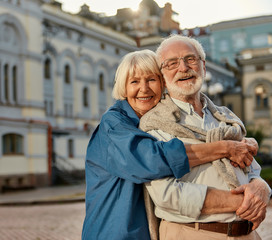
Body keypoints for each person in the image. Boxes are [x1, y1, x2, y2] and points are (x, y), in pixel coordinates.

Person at [81, 49, 257, 240]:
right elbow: (151, 160)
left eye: (151, 79)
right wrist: (224, 148)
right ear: (123, 87)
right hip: (115, 232)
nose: (144, 88)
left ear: (163, 83)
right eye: (134, 82)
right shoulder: (114, 124)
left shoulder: (160, 121)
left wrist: (242, 144)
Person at [140, 35, 272, 240]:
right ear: (162, 75)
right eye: (172, 63)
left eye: (190, 59)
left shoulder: (226, 118)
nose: (183, 68)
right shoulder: (154, 123)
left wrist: (261, 187)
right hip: (192, 233)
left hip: (247, 234)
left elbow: (252, 169)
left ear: (203, 65)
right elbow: (166, 194)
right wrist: (243, 202)